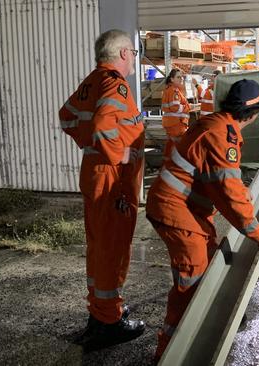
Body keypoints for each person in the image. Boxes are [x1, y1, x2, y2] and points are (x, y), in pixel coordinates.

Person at [146, 79, 259, 362]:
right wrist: (256, 232)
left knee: (211, 259)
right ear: (253, 114)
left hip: (184, 210)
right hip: (176, 212)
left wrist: (244, 203)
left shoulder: (217, 124)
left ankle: (207, 322)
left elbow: (228, 184)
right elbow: (228, 192)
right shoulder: (221, 135)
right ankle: (170, 354)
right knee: (191, 281)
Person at [58, 29, 146, 349]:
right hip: (113, 182)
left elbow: (67, 117)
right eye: (133, 53)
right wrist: (117, 155)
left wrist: (91, 146)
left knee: (98, 249)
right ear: (123, 54)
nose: (134, 59)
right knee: (112, 250)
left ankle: (100, 314)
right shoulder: (115, 84)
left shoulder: (92, 82)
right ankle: (110, 322)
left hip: (95, 177)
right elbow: (102, 126)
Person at [161, 68, 191, 157]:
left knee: (172, 146)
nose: (180, 79)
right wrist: (188, 107)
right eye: (178, 77)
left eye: (181, 77)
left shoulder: (171, 89)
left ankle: (168, 165)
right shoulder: (174, 91)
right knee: (177, 148)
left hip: (173, 123)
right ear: (172, 79)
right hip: (176, 124)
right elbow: (175, 108)